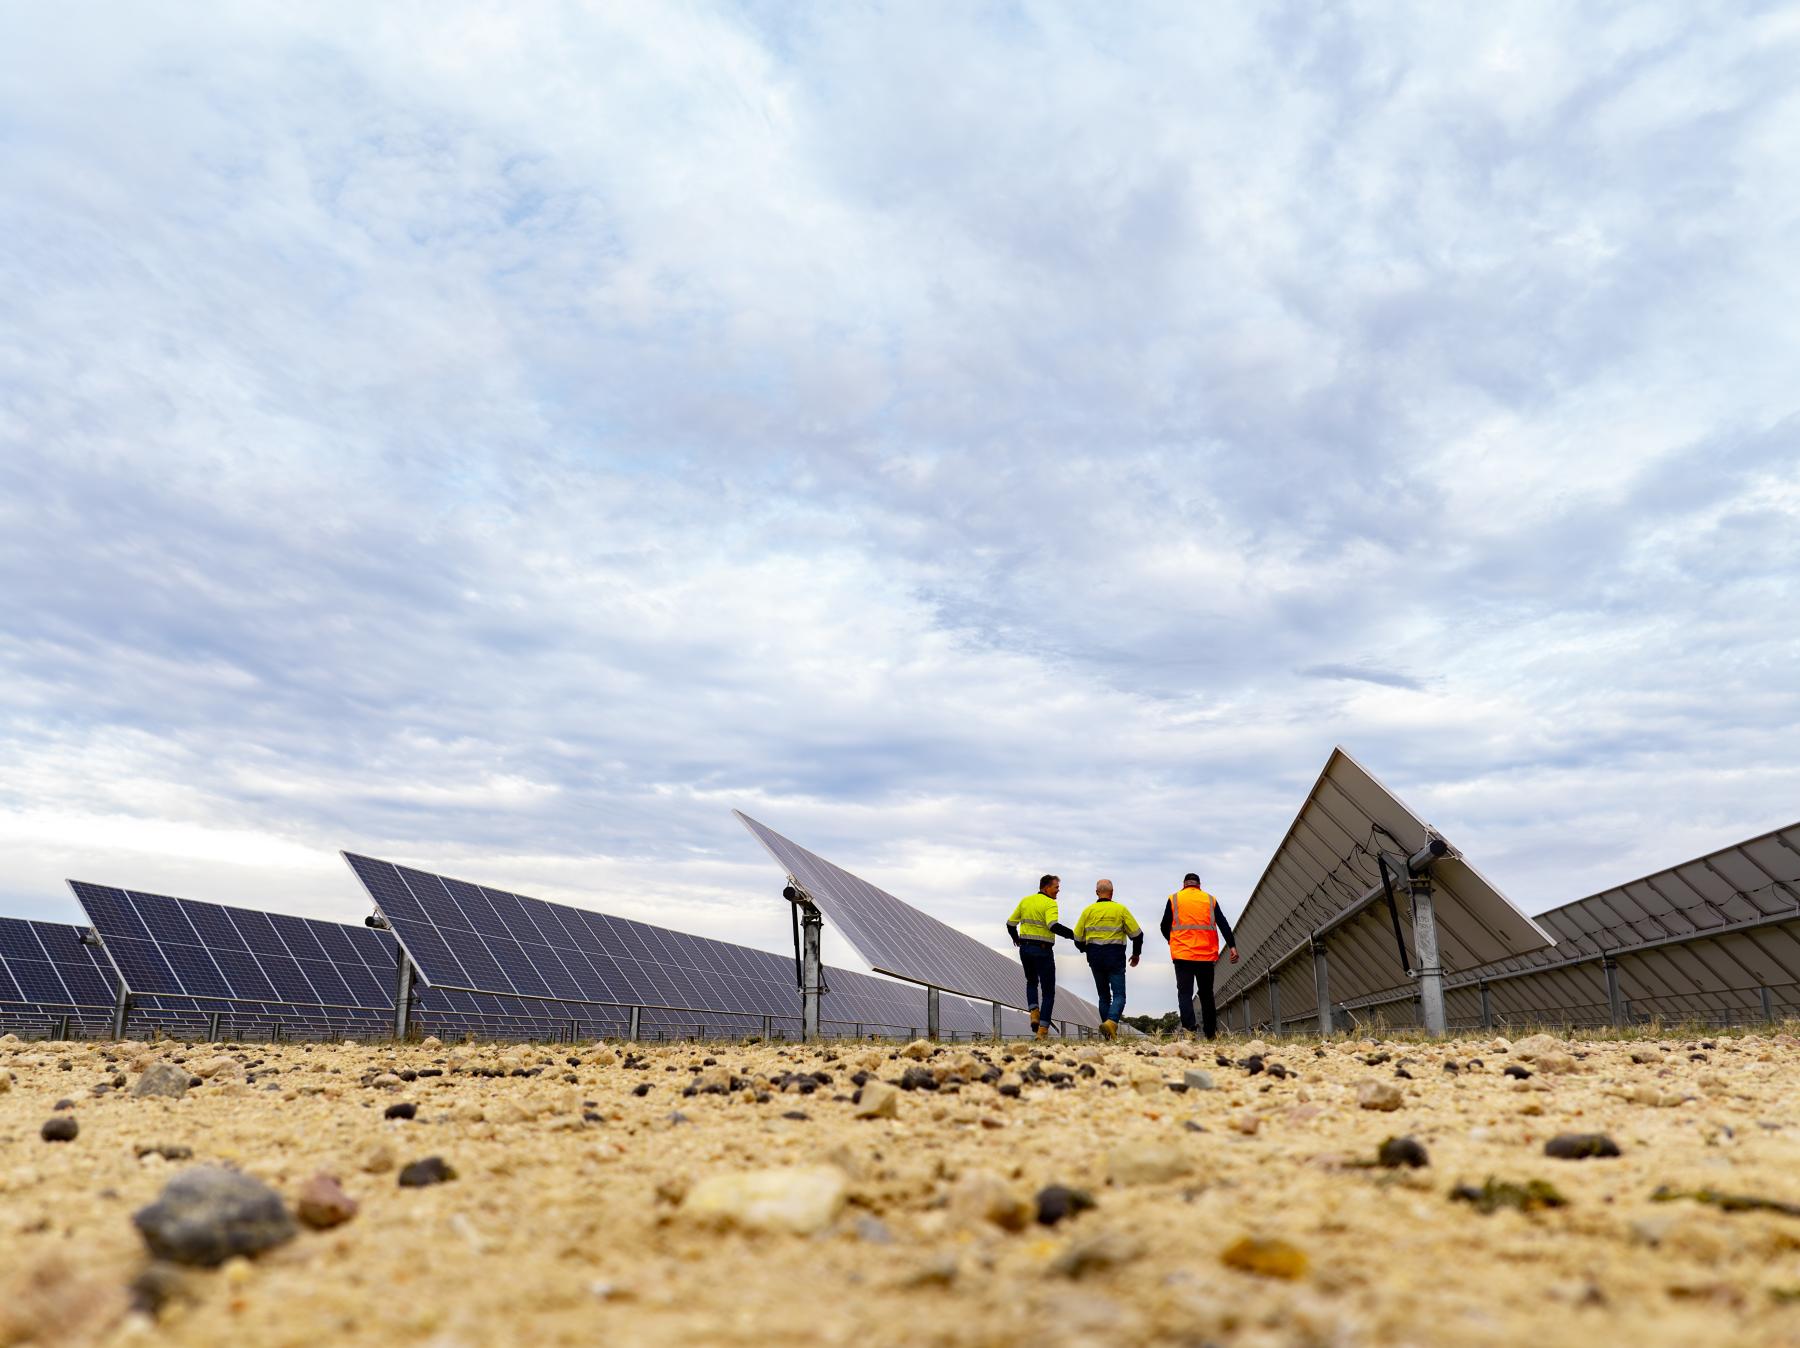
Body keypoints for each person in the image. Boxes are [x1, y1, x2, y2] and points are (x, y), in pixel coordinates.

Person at [1160, 871, 1238, 1039]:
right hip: (1206, 955)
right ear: (1199, 885)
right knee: (1206, 994)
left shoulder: (1174, 899)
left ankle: (1190, 1030)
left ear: (1184, 884)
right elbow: (1223, 924)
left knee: (1185, 993)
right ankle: (1211, 1034)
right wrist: (1232, 946)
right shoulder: (1210, 900)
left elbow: (1163, 925)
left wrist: (1172, 940)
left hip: (1182, 955)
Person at [1073, 879, 1142, 1040]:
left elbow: (1077, 938)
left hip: (1095, 957)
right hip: (1115, 957)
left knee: (1103, 996)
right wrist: (1136, 954)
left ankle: (1108, 1035)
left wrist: (1085, 949)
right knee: (1119, 995)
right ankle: (1111, 1023)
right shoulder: (1120, 909)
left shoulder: (1088, 911)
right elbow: (1137, 935)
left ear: (1097, 892)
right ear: (1112, 893)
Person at [1007, 875, 1075, 1038]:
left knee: (1031, 982)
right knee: (1048, 992)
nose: (1058, 890)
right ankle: (1042, 1030)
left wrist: (1016, 938)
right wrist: (1074, 935)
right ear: (1046, 888)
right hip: (1043, 951)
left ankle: (1034, 1012)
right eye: (1056, 887)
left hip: (1025, 949)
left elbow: (1010, 924)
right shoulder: (1050, 903)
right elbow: (1053, 926)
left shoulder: (1025, 901)